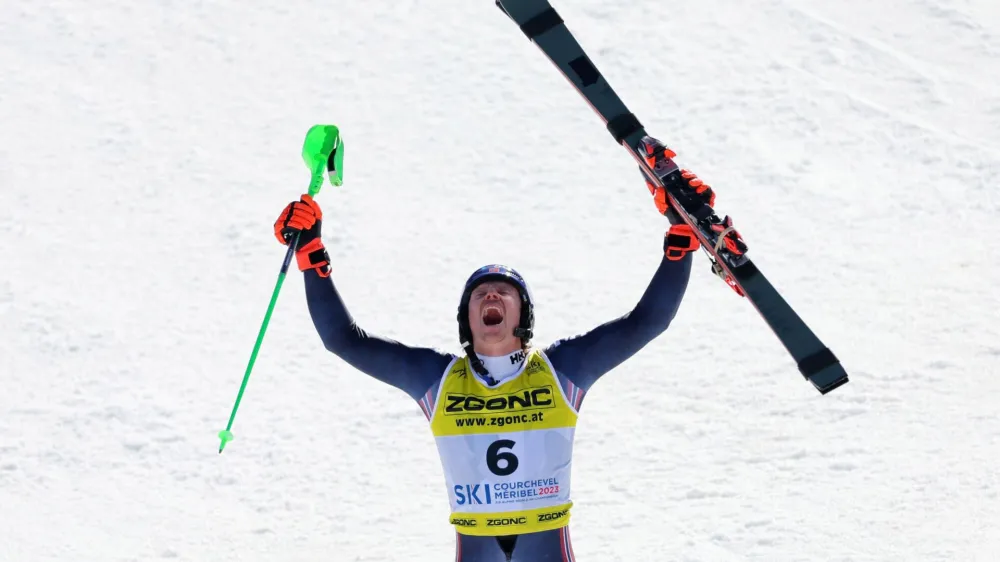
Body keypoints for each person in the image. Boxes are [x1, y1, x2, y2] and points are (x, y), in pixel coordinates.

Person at [273, 137, 715, 561]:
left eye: (505, 292)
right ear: (466, 319)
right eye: (480, 294)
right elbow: (343, 340)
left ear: (523, 314)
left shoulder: (563, 369)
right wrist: (312, 255)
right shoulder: (437, 379)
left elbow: (648, 321)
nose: (491, 298)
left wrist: (680, 245)